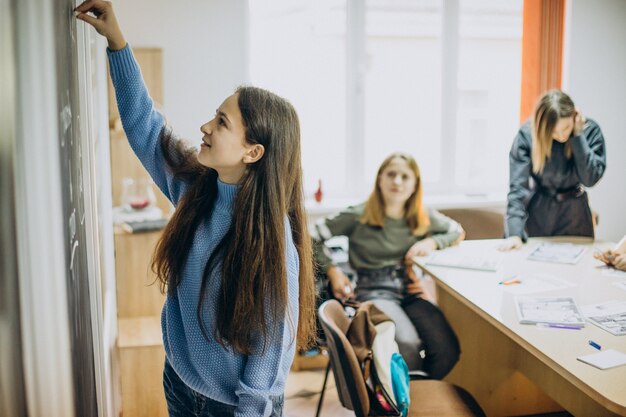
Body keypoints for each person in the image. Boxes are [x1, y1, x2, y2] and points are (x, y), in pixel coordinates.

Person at [75, 2, 316, 416]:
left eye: (221, 123)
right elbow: (145, 127)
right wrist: (116, 42)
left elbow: (266, 367)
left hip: (232, 407)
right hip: (180, 384)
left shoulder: (274, 247)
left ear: (253, 152)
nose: (205, 126)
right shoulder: (195, 190)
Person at [312, 152, 463, 379]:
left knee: (447, 350)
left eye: (405, 176)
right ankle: (401, 406)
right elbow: (310, 235)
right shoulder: (358, 214)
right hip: (373, 290)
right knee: (407, 346)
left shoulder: (421, 216)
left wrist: (432, 241)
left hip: (409, 290)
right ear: (380, 178)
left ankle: (413, 398)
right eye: (391, 174)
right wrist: (332, 270)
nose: (397, 181)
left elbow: (456, 231)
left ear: (415, 185)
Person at [500, 89, 607, 251]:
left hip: (575, 215)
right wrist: (514, 233)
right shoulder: (527, 134)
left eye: (566, 128)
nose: (562, 136)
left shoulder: (590, 131)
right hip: (538, 213)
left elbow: (590, 179)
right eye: (554, 132)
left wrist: (577, 136)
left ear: (575, 117)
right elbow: (517, 188)